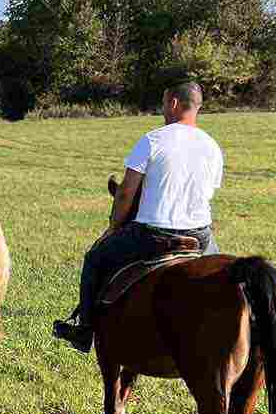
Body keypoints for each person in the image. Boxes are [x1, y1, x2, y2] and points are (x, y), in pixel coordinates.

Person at [53, 80, 224, 354]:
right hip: (200, 237)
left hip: (153, 235)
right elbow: (206, 193)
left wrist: (113, 227)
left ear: (173, 102)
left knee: (94, 259)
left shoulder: (153, 140)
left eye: (164, 102)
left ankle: (83, 330)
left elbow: (124, 195)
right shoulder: (213, 147)